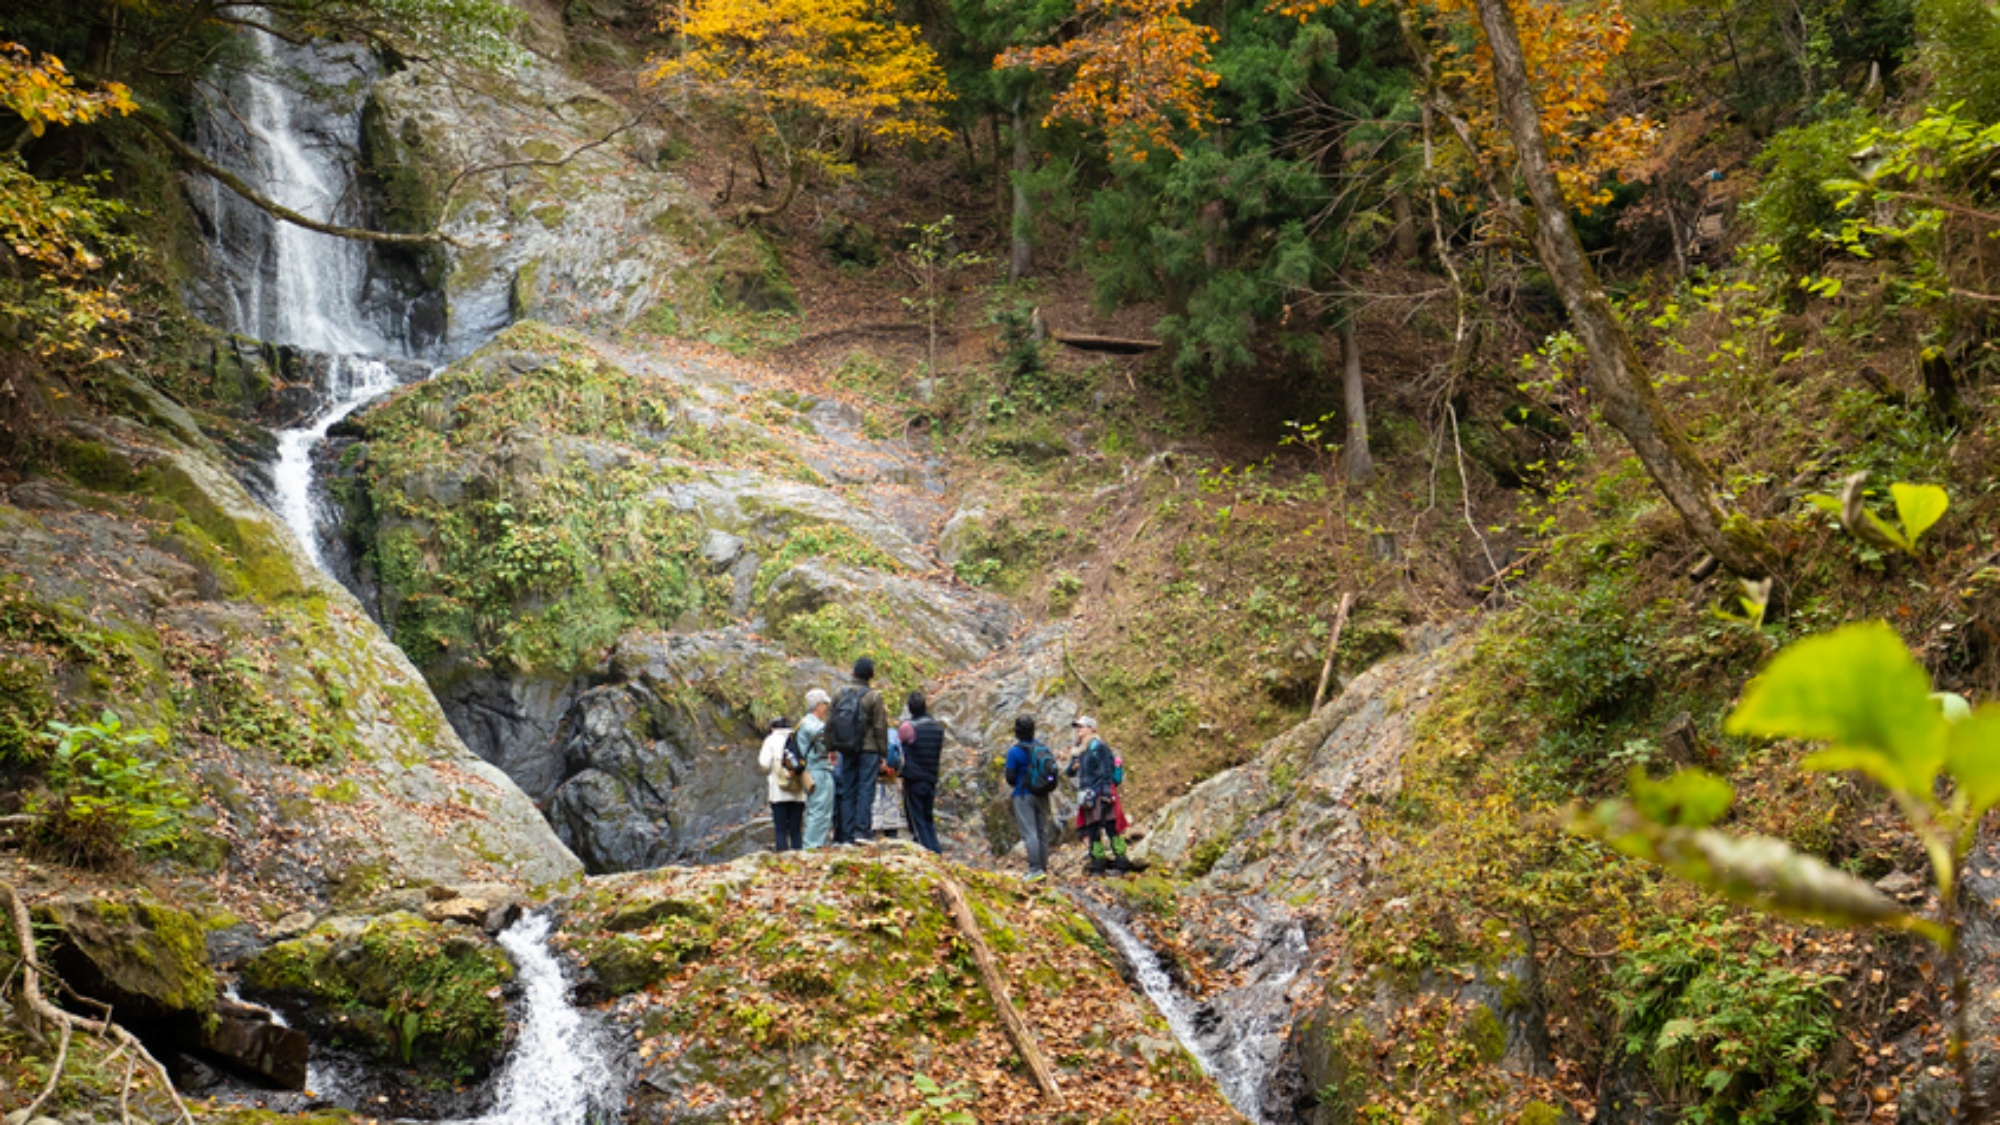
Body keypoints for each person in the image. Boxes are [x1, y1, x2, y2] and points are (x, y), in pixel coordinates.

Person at [830, 656, 889, 844]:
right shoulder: (874, 697)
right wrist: (883, 753)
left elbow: (831, 723)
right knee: (865, 789)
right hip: (869, 750)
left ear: (852, 672)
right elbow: (880, 726)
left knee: (847, 790)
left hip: (846, 749)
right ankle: (862, 831)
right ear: (871, 676)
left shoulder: (839, 693)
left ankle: (846, 834)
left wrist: (831, 748)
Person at [1071, 716, 1132, 875]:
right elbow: (1069, 771)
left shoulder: (1099, 747)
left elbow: (1107, 770)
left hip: (1101, 792)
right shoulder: (1080, 749)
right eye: (1077, 727)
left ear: (1091, 728)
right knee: (1092, 829)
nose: (1079, 730)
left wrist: (1106, 793)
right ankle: (1097, 864)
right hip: (1088, 795)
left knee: (1111, 827)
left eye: (1082, 727)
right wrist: (1073, 767)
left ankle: (1121, 862)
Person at [1003, 713, 1059, 881]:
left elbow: (1010, 778)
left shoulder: (1014, 752)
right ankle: (1042, 868)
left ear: (1017, 731)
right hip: (1042, 793)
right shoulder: (1042, 748)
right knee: (1042, 831)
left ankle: (1035, 869)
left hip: (1023, 794)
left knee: (1030, 833)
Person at [900, 692, 947, 854]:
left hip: (914, 779)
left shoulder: (908, 728)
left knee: (916, 820)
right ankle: (937, 850)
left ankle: (927, 853)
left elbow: (898, 748)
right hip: (931, 778)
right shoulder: (937, 728)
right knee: (928, 819)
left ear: (910, 709)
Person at [758, 716, 806, 852]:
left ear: (773, 728)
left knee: (780, 829)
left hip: (779, 792)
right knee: (796, 829)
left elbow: (764, 763)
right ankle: (799, 856)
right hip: (798, 791)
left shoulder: (771, 740)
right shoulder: (798, 738)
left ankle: (782, 857)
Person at [799, 689, 837, 849]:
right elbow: (817, 732)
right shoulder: (809, 723)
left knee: (822, 811)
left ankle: (816, 845)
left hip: (820, 770)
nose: (826, 708)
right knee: (818, 811)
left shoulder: (811, 723)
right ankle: (811, 847)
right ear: (817, 705)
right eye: (824, 704)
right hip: (816, 771)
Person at [873, 720, 910, 841]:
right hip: (891, 777)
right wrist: (897, 770)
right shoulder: (894, 734)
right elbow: (902, 756)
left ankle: (874, 833)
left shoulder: (870, 734)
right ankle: (892, 833)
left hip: (874, 777)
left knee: (875, 805)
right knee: (891, 805)